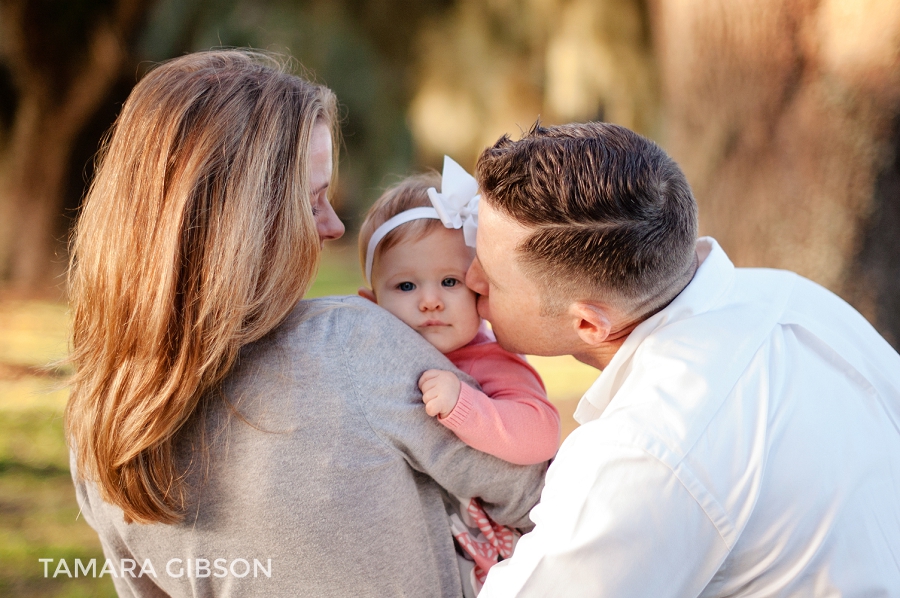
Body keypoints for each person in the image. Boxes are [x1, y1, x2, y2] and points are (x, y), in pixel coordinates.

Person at [65, 50, 546, 598]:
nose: (335, 225)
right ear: (244, 222)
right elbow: (539, 499)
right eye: (312, 199)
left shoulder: (100, 419)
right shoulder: (353, 346)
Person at [467, 121, 900, 596]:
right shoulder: (793, 297)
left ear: (590, 325)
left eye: (492, 275)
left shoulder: (644, 451)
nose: (469, 278)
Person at [357, 159, 561, 593]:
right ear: (370, 306)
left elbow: (541, 433)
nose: (430, 301)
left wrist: (466, 406)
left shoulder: (492, 360)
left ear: (479, 289)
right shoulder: (372, 365)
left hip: (507, 555)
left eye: (450, 282)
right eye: (406, 287)